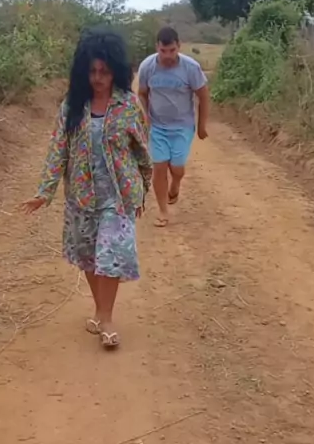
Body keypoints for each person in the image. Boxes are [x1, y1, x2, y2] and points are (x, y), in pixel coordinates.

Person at [22, 27, 152, 350]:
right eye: (92, 71)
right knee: (90, 258)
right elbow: (58, 150)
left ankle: (106, 320)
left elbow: (141, 151)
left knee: (110, 255)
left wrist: (142, 190)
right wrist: (44, 192)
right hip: (81, 197)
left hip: (118, 196)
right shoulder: (72, 106)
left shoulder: (128, 105)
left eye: (104, 72)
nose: (98, 78)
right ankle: (100, 310)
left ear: (116, 71)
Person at [137, 26, 210, 227]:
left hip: (182, 127)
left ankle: (176, 182)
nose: (167, 55)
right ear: (157, 47)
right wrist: (145, 116)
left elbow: (203, 96)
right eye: (163, 51)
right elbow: (142, 93)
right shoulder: (147, 67)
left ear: (179, 46)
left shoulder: (191, 68)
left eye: (172, 50)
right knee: (159, 167)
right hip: (157, 126)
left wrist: (201, 125)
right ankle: (163, 211)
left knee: (177, 168)